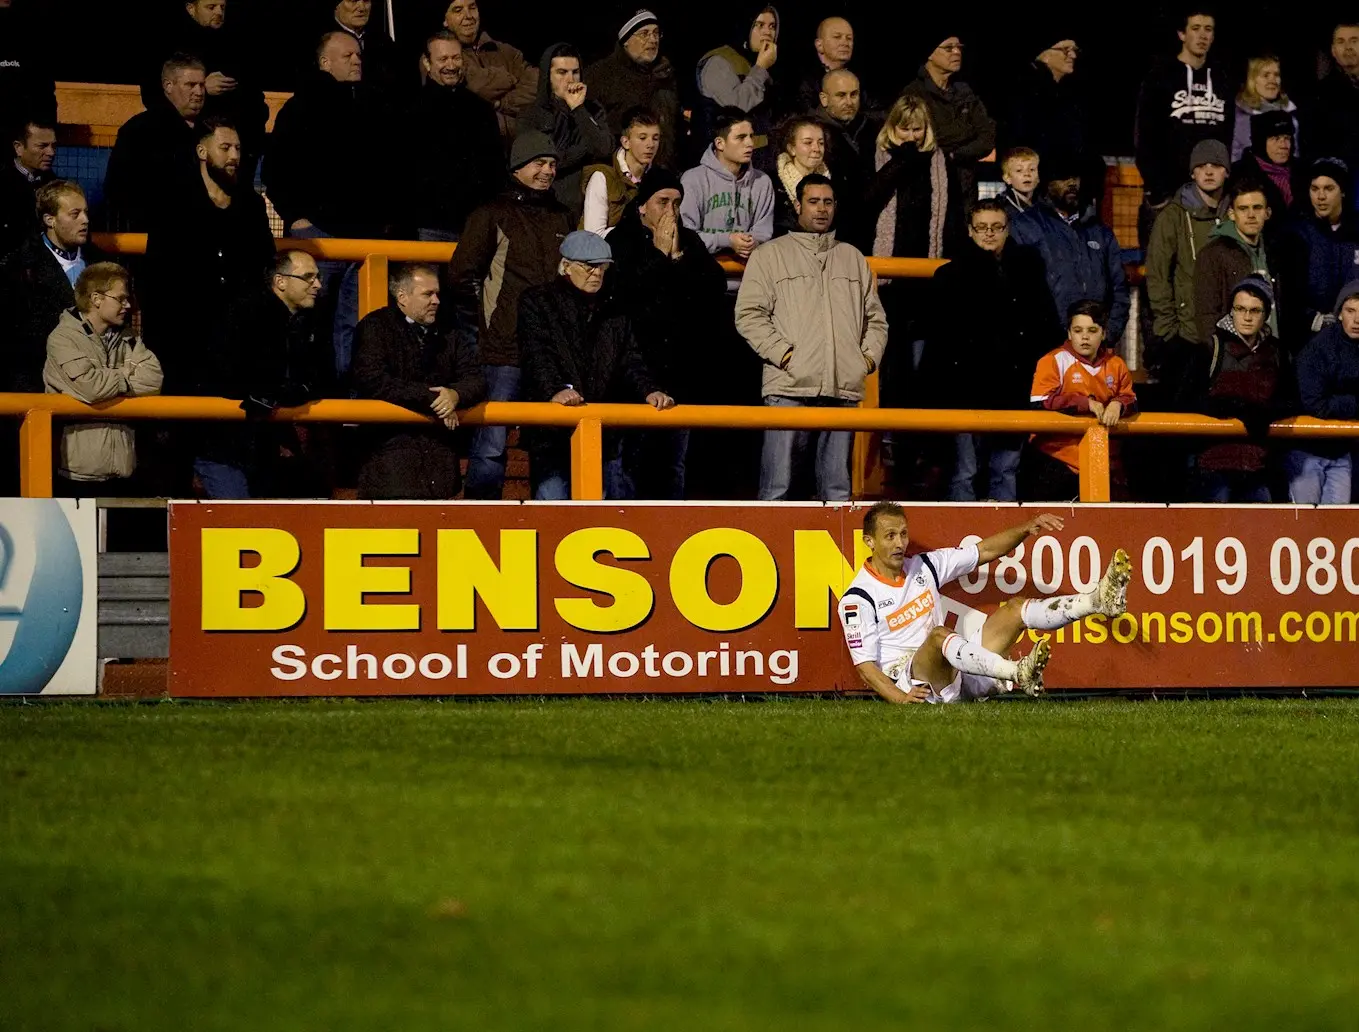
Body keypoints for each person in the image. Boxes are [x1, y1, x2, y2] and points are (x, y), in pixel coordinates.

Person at [838, 501, 1132, 703]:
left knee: (1016, 609)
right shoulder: (858, 597)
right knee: (939, 635)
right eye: (889, 536)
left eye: (903, 534)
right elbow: (865, 667)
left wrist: (1027, 528)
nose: (899, 543)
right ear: (870, 541)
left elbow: (984, 550)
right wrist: (899, 698)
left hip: (957, 673)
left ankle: (1095, 601)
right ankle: (1016, 673)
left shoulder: (924, 566)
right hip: (917, 685)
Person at [735, 174, 887, 501]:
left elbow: (875, 319)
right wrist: (786, 356)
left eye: (828, 202)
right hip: (787, 387)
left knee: (837, 492)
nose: (821, 209)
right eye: (813, 201)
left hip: (842, 388)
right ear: (798, 205)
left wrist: (865, 360)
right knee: (777, 488)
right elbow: (748, 314)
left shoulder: (853, 258)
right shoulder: (769, 255)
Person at [448, 131, 572, 499]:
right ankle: (481, 515)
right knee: (492, 443)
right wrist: (487, 324)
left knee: (550, 442)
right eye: (539, 163)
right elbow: (461, 274)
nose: (547, 171)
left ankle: (551, 521)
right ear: (518, 167)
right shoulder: (492, 213)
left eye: (552, 164)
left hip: (550, 353)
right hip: (503, 350)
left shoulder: (562, 217)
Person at [265, 31, 393, 377]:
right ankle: (313, 404)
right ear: (324, 62)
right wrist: (296, 218)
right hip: (319, 237)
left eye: (359, 56)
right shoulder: (300, 107)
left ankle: (349, 408)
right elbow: (277, 169)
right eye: (347, 55)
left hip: (365, 240)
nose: (357, 61)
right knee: (311, 322)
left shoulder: (374, 104)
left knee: (356, 326)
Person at [608, 168, 739, 498]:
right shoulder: (619, 240)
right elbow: (627, 293)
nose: (671, 211)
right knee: (628, 460)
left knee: (673, 461)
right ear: (642, 206)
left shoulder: (689, 240)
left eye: (677, 203)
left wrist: (677, 258)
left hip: (680, 370)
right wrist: (659, 254)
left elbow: (714, 286)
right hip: (634, 371)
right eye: (662, 202)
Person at [518, 231, 673, 500]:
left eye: (602, 267)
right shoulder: (537, 301)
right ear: (566, 266)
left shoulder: (615, 309)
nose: (596, 273)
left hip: (603, 434)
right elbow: (536, 354)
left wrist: (649, 390)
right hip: (553, 431)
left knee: (601, 516)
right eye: (589, 266)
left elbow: (630, 359)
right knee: (553, 504)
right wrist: (555, 389)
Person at [926, 199, 1058, 501]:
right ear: (970, 231)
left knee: (1005, 470)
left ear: (1007, 229)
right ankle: (962, 540)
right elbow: (940, 343)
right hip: (965, 392)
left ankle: (1006, 543)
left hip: (1014, 387)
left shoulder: (1028, 269)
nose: (989, 233)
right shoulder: (950, 276)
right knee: (964, 472)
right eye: (982, 227)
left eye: (996, 227)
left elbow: (1046, 325)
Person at [144, 117, 274, 394]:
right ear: (202, 152)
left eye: (238, 148)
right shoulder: (174, 202)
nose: (234, 156)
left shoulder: (251, 206)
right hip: (183, 343)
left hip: (238, 346)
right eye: (225, 147)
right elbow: (156, 274)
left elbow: (265, 269)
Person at [194, 250, 333, 499]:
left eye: (318, 277)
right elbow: (224, 370)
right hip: (224, 446)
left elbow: (320, 373)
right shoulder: (242, 313)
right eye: (308, 277)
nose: (318, 285)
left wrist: (294, 391)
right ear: (280, 281)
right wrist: (278, 391)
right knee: (242, 526)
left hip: (263, 445)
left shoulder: (309, 320)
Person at [351, 262, 486, 499]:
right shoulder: (375, 327)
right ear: (402, 297)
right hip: (389, 457)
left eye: (437, 294)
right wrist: (434, 398)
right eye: (428, 294)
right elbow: (372, 379)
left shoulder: (449, 331)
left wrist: (455, 395)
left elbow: (475, 378)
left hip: (439, 458)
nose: (436, 301)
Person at [42, 262, 163, 495]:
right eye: (120, 298)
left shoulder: (127, 337)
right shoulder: (62, 338)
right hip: (75, 478)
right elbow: (91, 387)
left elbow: (154, 378)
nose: (127, 305)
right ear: (97, 299)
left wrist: (110, 381)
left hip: (125, 474)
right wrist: (126, 376)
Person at [1178, 276, 1289, 502]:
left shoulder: (1278, 353)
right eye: (1240, 309)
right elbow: (1184, 401)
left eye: (1255, 310)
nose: (1247, 317)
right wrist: (1236, 407)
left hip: (1259, 465)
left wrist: (1266, 412)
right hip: (1214, 463)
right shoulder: (1210, 349)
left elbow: (1291, 399)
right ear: (1231, 310)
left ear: (1266, 314)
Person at [140, 0, 268, 179]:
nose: (219, 12)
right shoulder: (170, 47)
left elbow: (255, 101)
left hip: (233, 157)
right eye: (211, 7)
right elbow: (152, 96)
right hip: (183, 152)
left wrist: (249, 150)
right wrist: (203, 88)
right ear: (191, 9)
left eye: (222, 7)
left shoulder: (237, 48)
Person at [1134, 9, 1232, 243]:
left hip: (1211, 197)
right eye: (1195, 29)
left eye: (1208, 29)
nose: (1202, 36)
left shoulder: (1221, 80)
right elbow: (1144, 136)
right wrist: (1158, 192)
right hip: (1168, 197)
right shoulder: (1159, 77)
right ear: (1181, 34)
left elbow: (1228, 137)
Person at [1025, 300, 1137, 500]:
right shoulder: (1053, 360)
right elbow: (1039, 402)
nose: (1085, 337)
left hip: (1103, 461)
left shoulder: (1116, 364)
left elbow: (1131, 398)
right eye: (1078, 330)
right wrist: (1085, 403)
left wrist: (1118, 404)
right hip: (1056, 460)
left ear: (1103, 334)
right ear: (1069, 333)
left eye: (1092, 330)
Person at [1010, 159, 1130, 346]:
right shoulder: (1024, 226)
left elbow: (1119, 288)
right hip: (1045, 345)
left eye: (1075, 177)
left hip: (1095, 346)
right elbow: (1017, 291)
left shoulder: (1100, 231)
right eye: (1063, 178)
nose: (1072, 183)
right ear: (1047, 183)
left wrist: (1109, 333)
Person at [0, 181, 105, 392]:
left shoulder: (101, 263)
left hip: (94, 381)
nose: (85, 220)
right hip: (37, 382)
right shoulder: (19, 268)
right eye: (74, 214)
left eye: (85, 212)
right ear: (50, 220)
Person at [1145, 138, 1229, 378]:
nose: (1208, 171)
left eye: (1215, 165)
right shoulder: (1173, 217)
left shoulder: (1236, 214)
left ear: (1226, 171)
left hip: (1228, 335)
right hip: (1186, 335)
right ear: (1192, 173)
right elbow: (1157, 275)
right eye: (1201, 166)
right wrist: (1169, 330)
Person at [410, 30, 504, 242]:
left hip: (474, 227)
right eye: (443, 59)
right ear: (427, 62)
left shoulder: (481, 110)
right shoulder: (412, 110)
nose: (451, 65)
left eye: (456, 57)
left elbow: (495, 170)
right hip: (428, 226)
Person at [102, 54, 206, 230]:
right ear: (168, 86)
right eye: (190, 85)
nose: (199, 92)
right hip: (151, 235)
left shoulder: (210, 130)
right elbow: (117, 189)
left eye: (202, 85)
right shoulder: (138, 130)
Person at [902, 31, 996, 208]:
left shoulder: (965, 91)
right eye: (948, 48)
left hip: (966, 187)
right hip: (930, 188)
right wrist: (966, 136)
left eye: (959, 47)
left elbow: (987, 137)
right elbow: (928, 141)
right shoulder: (914, 94)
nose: (957, 52)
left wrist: (954, 153)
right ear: (929, 54)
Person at [521, 43, 614, 220]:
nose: (571, 79)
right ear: (548, 76)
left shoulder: (592, 110)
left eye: (575, 72)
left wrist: (578, 110)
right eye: (562, 72)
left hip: (587, 205)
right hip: (545, 204)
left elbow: (604, 149)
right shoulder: (532, 114)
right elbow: (544, 162)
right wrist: (584, 149)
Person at [863, 94, 959, 261]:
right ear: (892, 127)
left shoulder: (940, 162)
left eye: (917, 130)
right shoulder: (874, 156)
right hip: (887, 254)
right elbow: (869, 200)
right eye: (904, 129)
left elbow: (954, 213)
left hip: (926, 254)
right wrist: (901, 159)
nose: (911, 137)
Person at [1290, 281, 1359, 504]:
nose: (1357, 319)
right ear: (1339, 314)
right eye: (1350, 311)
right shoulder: (1318, 348)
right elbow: (1316, 403)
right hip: (1308, 452)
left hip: (1342, 452)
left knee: (1336, 528)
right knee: (1304, 525)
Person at [584, 10, 681, 168]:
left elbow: (674, 126)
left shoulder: (665, 75)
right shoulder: (599, 76)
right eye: (644, 33)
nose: (653, 39)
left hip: (660, 170)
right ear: (626, 40)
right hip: (614, 170)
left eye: (656, 33)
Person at [679, 108, 775, 263]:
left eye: (751, 136)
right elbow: (687, 235)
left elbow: (764, 232)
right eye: (741, 137)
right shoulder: (693, 179)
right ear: (720, 143)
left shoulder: (762, 182)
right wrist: (727, 240)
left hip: (749, 276)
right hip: (703, 276)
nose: (750, 143)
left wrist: (753, 241)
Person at [1193, 178, 1281, 344]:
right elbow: (1206, 316)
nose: (1251, 215)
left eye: (1257, 208)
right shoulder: (1213, 254)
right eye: (1243, 209)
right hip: (1232, 357)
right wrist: (1223, 357)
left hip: (1271, 353)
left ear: (1267, 213)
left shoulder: (1276, 252)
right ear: (1231, 214)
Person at [442, 0, 538, 141]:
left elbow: (538, 85)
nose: (468, 15)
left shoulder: (506, 51)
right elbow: (476, 87)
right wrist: (510, 79)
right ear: (445, 20)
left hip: (521, 148)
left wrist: (501, 103)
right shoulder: (442, 58)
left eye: (472, 7)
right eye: (458, 10)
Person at [694, 7, 780, 158]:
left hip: (762, 158)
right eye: (759, 25)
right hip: (726, 162)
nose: (767, 32)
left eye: (772, 26)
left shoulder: (766, 64)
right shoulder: (719, 61)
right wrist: (760, 68)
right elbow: (737, 106)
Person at [1291, 158, 1359, 340]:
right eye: (1315, 189)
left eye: (1329, 189)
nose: (1320, 197)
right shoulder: (1298, 235)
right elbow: (1289, 294)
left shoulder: (1355, 232)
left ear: (1343, 191)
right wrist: (1312, 319)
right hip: (1312, 338)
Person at [1001, 35, 1088, 176]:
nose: (1073, 55)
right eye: (1065, 50)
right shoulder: (1025, 89)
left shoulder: (1066, 91)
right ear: (1044, 54)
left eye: (1075, 50)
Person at [817, 69, 877, 249]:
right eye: (841, 95)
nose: (849, 102)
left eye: (854, 94)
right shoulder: (812, 132)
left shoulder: (871, 128)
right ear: (824, 98)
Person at [580, 107, 660, 235]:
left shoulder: (659, 178)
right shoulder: (603, 177)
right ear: (626, 142)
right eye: (642, 138)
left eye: (655, 138)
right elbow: (593, 235)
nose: (650, 145)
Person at [1310, 21, 1359, 198]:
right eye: (1341, 41)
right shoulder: (1320, 94)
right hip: (1342, 183)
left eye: (1354, 40)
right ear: (1333, 50)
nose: (1348, 47)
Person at [1, 116, 55, 258]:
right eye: (42, 146)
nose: (51, 152)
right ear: (18, 148)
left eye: (53, 146)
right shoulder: (0, 186)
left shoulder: (56, 185)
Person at [328, 0, 405, 99]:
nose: (362, 8)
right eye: (353, 1)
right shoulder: (321, 41)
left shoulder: (383, 40)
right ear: (336, 5)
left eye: (366, 1)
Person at [787, 16, 860, 119]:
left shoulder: (859, 78)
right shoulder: (802, 81)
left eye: (849, 38)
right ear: (819, 45)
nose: (845, 43)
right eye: (837, 37)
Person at [1232, 54, 1299, 163]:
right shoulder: (1240, 118)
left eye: (1276, 75)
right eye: (1266, 75)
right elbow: (1235, 156)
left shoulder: (1291, 115)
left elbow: (1295, 154)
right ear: (1252, 80)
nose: (1273, 80)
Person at [771, 116, 829, 237]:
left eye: (821, 143)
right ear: (792, 149)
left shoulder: (833, 182)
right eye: (808, 143)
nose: (817, 149)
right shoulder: (774, 184)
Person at [1230, 110, 1296, 215]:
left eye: (1287, 138)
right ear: (1260, 141)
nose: (1283, 145)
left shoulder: (1303, 172)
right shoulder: (1238, 174)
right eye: (1276, 139)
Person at [997, 147, 1040, 218]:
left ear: (1038, 177)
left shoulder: (1047, 206)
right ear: (1007, 178)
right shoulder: (1000, 207)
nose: (1027, 174)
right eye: (1019, 170)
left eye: (1032, 169)